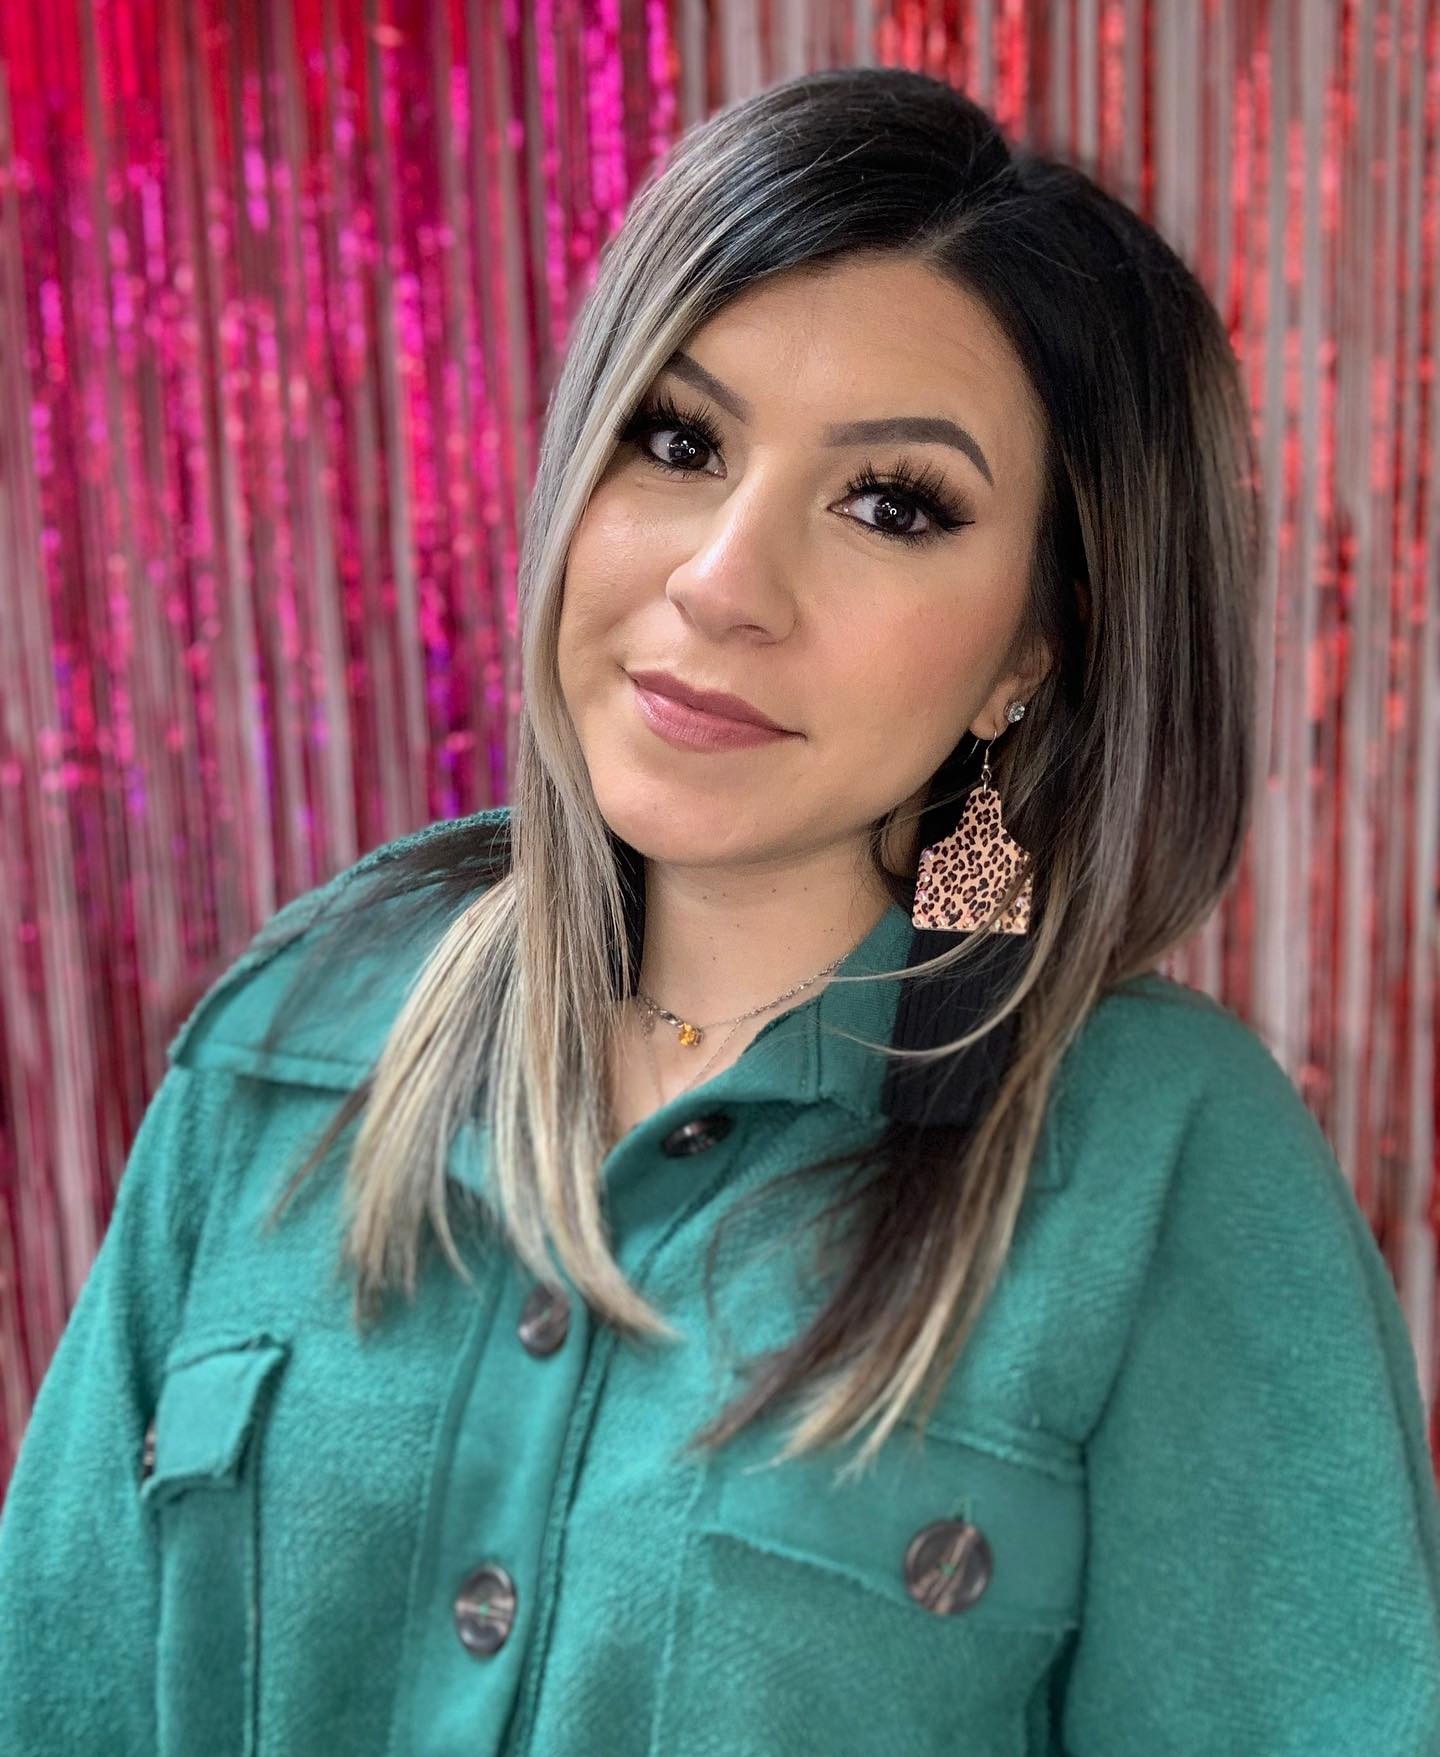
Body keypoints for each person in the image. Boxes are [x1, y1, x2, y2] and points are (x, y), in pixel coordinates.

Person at [2, 63, 1438, 1757]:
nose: (723, 582)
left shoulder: (1163, 1164)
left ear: (1034, 651)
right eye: (679, 441)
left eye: (891, 504)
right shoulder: (288, 1040)